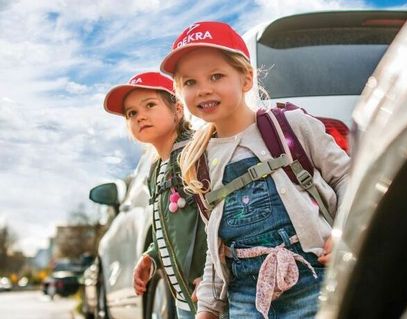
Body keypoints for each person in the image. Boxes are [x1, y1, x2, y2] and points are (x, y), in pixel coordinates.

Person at [159, 21, 350, 319]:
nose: (204, 89)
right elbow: (215, 245)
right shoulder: (199, 160)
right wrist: (208, 307)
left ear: (246, 78)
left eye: (216, 76)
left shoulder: (290, 126)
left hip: (312, 280)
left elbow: (347, 177)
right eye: (189, 82)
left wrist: (345, 234)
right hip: (244, 296)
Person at [103, 72, 208, 319]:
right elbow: (174, 227)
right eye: (131, 113)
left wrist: (214, 275)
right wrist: (152, 257)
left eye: (150, 105)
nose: (140, 116)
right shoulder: (156, 169)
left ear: (178, 109)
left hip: (209, 293)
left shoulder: (196, 152)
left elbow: (218, 217)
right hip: (185, 298)